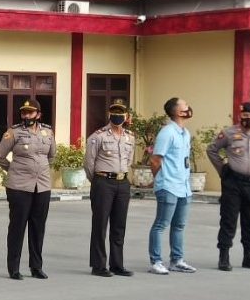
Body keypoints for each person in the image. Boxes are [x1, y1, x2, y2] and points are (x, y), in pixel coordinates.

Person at [207, 102, 250, 271]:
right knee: (228, 219)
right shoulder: (229, 133)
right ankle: (224, 257)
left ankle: (249, 257)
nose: (248, 119)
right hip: (233, 183)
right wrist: (223, 169)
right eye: (245, 116)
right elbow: (212, 150)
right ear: (240, 116)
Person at [0, 98, 56, 280]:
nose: (26, 115)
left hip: (42, 186)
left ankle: (36, 267)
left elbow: (52, 157)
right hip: (19, 186)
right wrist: (15, 170)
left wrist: (39, 170)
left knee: (38, 228)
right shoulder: (13, 132)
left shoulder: (48, 132)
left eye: (30, 112)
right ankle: (14, 268)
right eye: (24, 112)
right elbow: (0, 157)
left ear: (38, 114)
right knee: (17, 227)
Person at [84, 99, 136, 277]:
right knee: (100, 224)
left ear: (126, 116)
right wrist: (98, 180)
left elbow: (129, 160)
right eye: (114, 112)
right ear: (108, 115)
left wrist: (121, 176)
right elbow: (89, 164)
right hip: (103, 182)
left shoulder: (130, 138)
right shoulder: (97, 136)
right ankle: (98, 265)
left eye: (120, 112)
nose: (117, 115)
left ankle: (117, 264)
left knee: (119, 225)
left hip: (122, 182)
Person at [147, 97, 196, 275]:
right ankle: (156, 261)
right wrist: (159, 180)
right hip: (168, 185)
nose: (188, 107)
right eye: (185, 105)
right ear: (176, 111)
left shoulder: (185, 133)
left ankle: (177, 260)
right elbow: (155, 159)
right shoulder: (167, 132)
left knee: (179, 225)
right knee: (161, 224)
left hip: (183, 186)